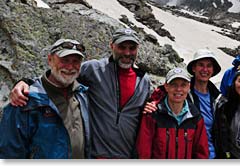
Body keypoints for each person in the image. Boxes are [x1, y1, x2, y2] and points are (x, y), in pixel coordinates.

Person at [9, 28, 151, 158]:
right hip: (95, 156)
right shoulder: (94, 69)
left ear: (138, 49)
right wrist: (26, 82)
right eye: (122, 47)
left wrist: (155, 104)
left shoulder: (144, 80)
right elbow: (59, 75)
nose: (127, 53)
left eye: (132, 48)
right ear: (111, 46)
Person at [0, 39, 90, 159]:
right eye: (64, 60)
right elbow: (9, 153)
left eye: (76, 61)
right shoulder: (25, 100)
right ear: (50, 60)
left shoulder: (83, 94)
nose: (70, 67)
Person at [144, 48, 221, 159]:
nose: (205, 69)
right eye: (201, 65)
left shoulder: (218, 98)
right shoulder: (181, 91)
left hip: (213, 155)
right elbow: (162, 93)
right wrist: (153, 103)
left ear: (213, 70)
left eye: (209, 66)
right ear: (194, 68)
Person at [136, 67, 209, 159]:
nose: (178, 89)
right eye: (174, 85)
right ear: (166, 86)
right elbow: (143, 152)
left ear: (189, 87)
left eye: (183, 85)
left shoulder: (196, 118)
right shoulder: (152, 115)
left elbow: (201, 153)